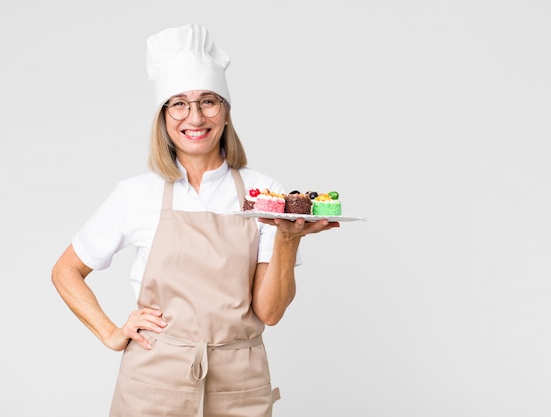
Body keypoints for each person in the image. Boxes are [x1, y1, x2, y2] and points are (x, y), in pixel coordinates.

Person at [51, 23, 339, 417]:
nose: (195, 116)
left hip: (239, 381)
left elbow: (269, 312)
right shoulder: (137, 193)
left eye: (208, 101)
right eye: (179, 103)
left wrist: (289, 239)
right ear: (164, 116)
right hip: (153, 382)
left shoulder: (265, 194)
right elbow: (65, 271)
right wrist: (112, 333)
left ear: (226, 111)